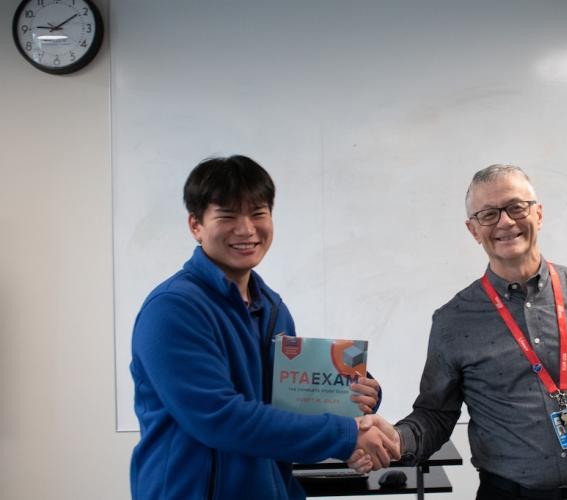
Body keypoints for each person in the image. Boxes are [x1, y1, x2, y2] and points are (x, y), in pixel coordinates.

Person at [129, 155, 399, 500]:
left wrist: (355, 397)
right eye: (227, 216)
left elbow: (288, 407)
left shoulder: (271, 307)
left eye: (258, 213)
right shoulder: (172, 309)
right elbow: (220, 418)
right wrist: (345, 435)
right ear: (196, 225)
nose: (246, 229)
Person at [393, 165, 567, 499]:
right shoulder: (452, 321)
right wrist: (395, 440)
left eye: (516, 207)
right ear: (473, 230)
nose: (505, 222)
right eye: (488, 214)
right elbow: (435, 414)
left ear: (538, 214)